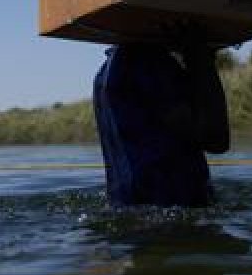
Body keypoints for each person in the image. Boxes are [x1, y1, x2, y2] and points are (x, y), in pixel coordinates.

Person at [92, 27, 230, 207]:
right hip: (173, 215)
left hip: (131, 211)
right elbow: (216, 138)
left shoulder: (106, 72)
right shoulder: (151, 65)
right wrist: (199, 56)